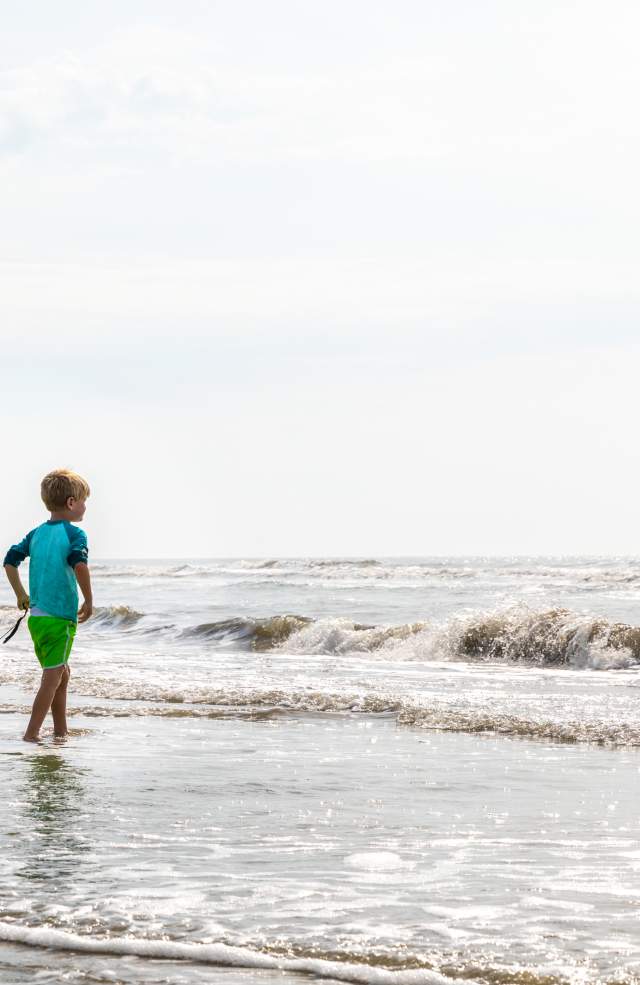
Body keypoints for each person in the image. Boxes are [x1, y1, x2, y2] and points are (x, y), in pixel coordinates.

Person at [3, 469, 93, 742]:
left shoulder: (36, 534)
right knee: (52, 678)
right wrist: (89, 599)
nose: (85, 506)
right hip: (60, 618)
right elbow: (79, 564)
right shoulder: (75, 534)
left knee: (62, 674)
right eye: (83, 501)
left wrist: (21, 594)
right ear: (71, 502)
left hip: (38, 619)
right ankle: (31, 734)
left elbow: (9, 561)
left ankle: (60, 731)